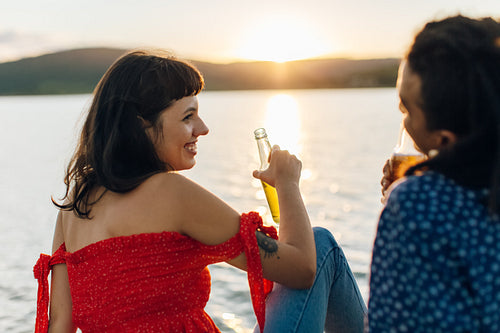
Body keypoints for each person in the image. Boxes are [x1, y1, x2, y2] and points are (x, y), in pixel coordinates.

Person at [33, 49, 366, 333]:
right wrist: (289, 185)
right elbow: (302, 268)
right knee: (320, 244)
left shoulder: (73, 208)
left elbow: (60, 324)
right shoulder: (171, 194)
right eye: (188, 117)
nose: (203, 129)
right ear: (141, 125)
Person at [368, 15, 500, 332]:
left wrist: (399, 203)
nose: (404, 123)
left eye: (407, 109)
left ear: (445, 140)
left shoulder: (418, 205)